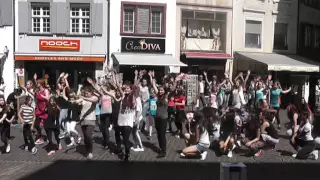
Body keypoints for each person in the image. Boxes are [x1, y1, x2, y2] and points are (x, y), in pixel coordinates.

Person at [71, 83, 98, 159]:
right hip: (83, 120)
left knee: (89, 135)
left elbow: (93, 100)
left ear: (91, 92)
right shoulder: (83, 98)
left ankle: (90, 152)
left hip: (91, 119)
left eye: (87, 93)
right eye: (85, 93)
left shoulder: (94, 98)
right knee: (86, 137)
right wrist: (73, 101)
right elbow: (77, 101)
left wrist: (83, 97)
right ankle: (87, 149)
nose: (86, 94)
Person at [150, 71, 168, 158]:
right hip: (157, 118)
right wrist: (153, 77)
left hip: (163, 119)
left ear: (164, 91)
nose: (160, 91)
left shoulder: (166, 97)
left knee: (162, 134)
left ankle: (163, 150)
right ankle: (161, 148)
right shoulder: (158, 95)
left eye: (162, 90)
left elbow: (171, 89)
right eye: (159, 90)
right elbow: (153, 85)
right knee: (158, 134)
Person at [34, 78, 50, 145]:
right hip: (38, 109)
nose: (37, 84)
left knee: (46, 126)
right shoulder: (38, 90)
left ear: (41, 84)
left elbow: (48, 98)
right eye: (37, 83)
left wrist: (42, 96)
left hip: (44, 109)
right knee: (36, 125)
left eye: (38, 83)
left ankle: (49, 138)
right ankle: (40, 137)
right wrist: (34, 79)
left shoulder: (45, 90)